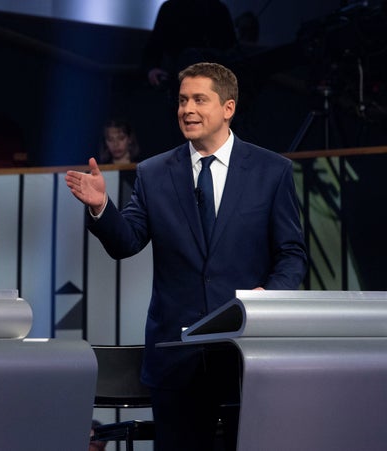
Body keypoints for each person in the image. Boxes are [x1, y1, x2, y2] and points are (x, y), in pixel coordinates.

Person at [65, 62, 307, 451]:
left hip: (247, 355)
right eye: (181, 101)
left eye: (199, 99)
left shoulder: (270, 171)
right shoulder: (154, 172)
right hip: (176, 359)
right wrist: (101, 208)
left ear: (228, 107)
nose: (187, 109)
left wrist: (269, 301)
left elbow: (291, 254)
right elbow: (126, 243)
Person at [142, 0, 237, 90]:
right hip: (179, 80)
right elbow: (153, 47)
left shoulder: (218, 9)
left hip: (212, 81)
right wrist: (152, 69)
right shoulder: (170, 8)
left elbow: (230, 49)